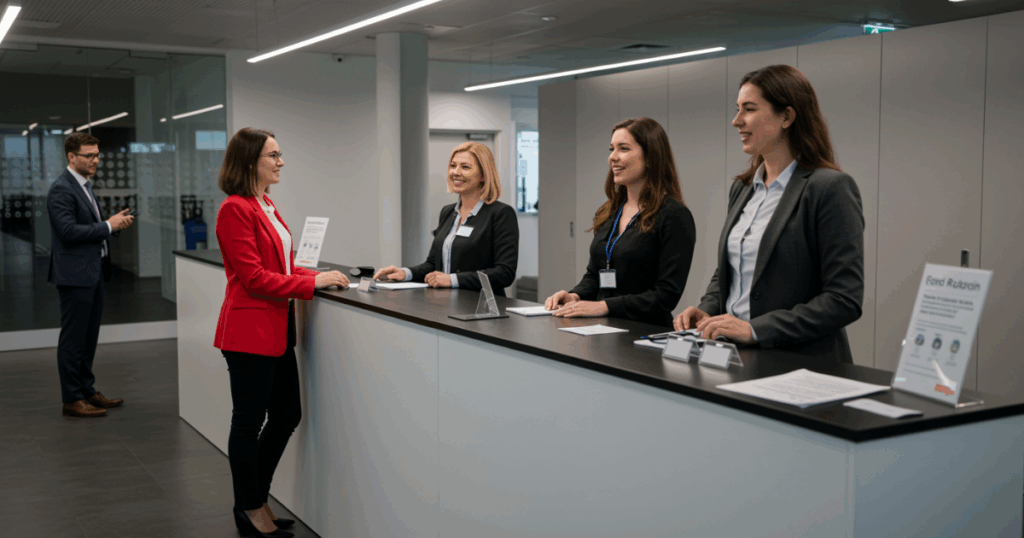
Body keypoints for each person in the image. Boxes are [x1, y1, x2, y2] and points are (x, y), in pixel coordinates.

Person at [673, 65, 865, 363]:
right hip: (735, 356)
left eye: (748, 109)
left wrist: (755, 330)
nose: (737, 121)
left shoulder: (829, 188)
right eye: (737, 110)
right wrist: (708, 309)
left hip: (802, 363)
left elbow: (843, 300)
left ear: (786, 117)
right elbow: (732, 269)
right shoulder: (743, 188)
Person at [214, 128, 348, 538]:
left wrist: (320, 275)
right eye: (273, 155)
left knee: (288, 414)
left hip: (274, 332)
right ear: (250, 160)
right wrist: (312, 284)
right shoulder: (234, 209)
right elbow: (254, 278)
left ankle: (256, 499)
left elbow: (284, 266)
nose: (281, 161)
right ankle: (250, 508)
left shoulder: (265, 204)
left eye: (280, 154)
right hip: (248, 333)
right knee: (248, 423)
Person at [543, 117, 696, 327]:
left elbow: (665, 296)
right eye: (611, 149)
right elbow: (594, 275)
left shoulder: (673, 215)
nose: (612, 157)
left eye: (623, 149)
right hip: (601, 330)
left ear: (651, 157)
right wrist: (575, 296)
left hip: (645, 333)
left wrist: (604, 306)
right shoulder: (609, 212)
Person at [47, 132, 134, 418]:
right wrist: (108, 226)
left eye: (97, 154)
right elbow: (68, 232)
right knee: (74, 339)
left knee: (88, 337)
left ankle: (86, 390)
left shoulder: (84, 186)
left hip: (91, 272)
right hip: (74, 275)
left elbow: (86, 227)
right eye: (89, 155)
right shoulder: (61, 188)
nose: (95, 160)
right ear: (71, 157)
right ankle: (72, 399)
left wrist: (111, 224)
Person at [374, 142, 519, 295]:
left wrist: (452, 280)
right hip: (446, 304)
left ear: (484, 175)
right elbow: (433, 265)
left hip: (482, 308)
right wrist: (405, 273)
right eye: (453, 165)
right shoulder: (448, 212)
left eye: (465, 167)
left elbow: (504, 273)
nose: (455, 172)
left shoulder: (501, 214)